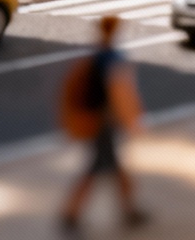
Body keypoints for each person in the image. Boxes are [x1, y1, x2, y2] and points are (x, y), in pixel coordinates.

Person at [58, 15, 147, 231]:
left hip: (98, 119)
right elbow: (119, 92)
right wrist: (132, 121)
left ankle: (127, 210)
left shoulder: (98, 54)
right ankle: (73, 214)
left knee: (106, 167)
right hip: (104, 122)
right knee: (97, 168)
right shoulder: (113, 57)